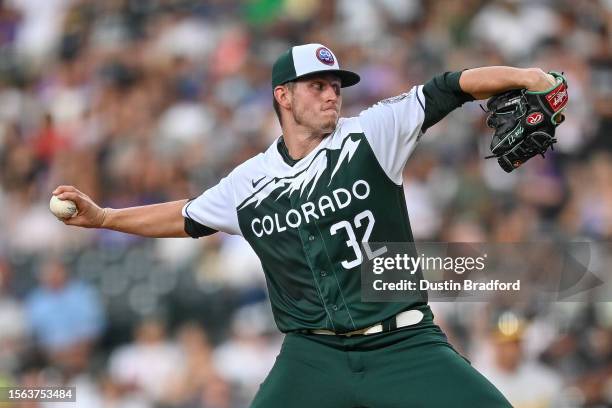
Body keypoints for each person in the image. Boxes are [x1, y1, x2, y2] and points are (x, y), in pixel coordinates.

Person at [53, 43, 561, 407]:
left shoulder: (373, 135)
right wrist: (105, 218)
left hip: (403, 344)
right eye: (316, 85)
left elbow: (450, 87)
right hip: (312, 354)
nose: (331, 95)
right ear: (283, 96)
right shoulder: (249, 181)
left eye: (336, 86)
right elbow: (184, 216)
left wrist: (529, 76)